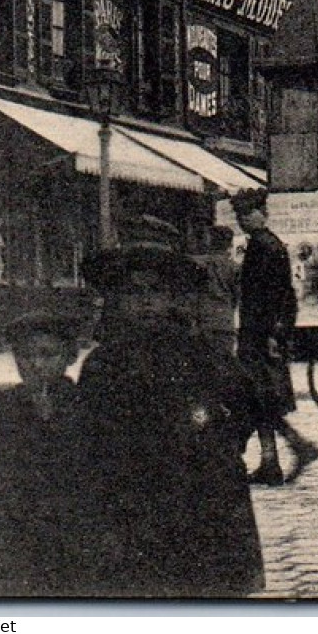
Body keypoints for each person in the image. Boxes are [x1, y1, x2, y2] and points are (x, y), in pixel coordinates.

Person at [74, 214, 265, 597]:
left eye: (156, 291)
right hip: (130, 502)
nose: (145, 302)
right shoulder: (104, 363)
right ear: (117, 299)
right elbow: (89, 435)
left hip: (197, 498)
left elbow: (246, 400)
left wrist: (220, 443)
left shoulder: (197, 353)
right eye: (132, 292)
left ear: (173, 297)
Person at [0, 312, 85, 597]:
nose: (36, 364)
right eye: (25, 356)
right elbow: (0, 451)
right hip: (12, 512)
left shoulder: (82, 402)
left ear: (69, 356)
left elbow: (82, 453)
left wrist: (51, 419)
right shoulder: (3, 404)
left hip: (67, 512)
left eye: (48, 354)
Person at [232, 189, 318, 486]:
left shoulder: (265, 246)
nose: (242, 220)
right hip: (259, 334)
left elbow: (276, 296)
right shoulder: (266, 244)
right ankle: (273, 459)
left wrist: (274, 335)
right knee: (259, 398)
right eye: (239, 215)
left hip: (260, 335)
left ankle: (286, 450)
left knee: (258, 397)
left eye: (247, 213)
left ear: (261, 212)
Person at [193, 224, 240, 355]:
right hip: (225, 320)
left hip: (201, 319)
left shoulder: (197, 263)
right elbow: (237, 295)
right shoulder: (234, 267)